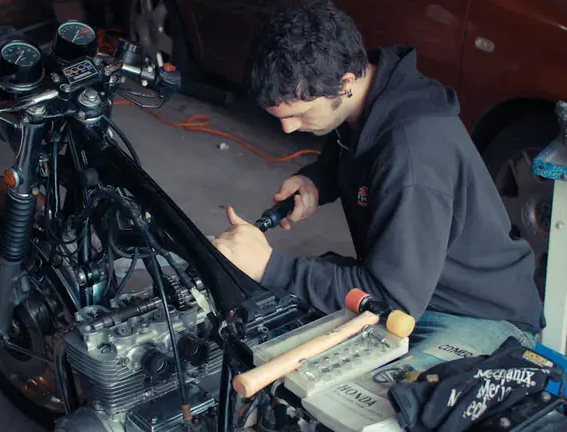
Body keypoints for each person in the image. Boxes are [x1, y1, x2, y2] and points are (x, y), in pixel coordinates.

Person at [212, 0, 545, 366]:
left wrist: (270, 265)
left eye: (299, 115)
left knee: (391, 403)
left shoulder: (413, 154)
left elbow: (389, 300)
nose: (288, 129)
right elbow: (352, 149)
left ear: (346, 83)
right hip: (416, 288)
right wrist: (317, 181)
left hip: (479, 314)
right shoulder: (371, 95)